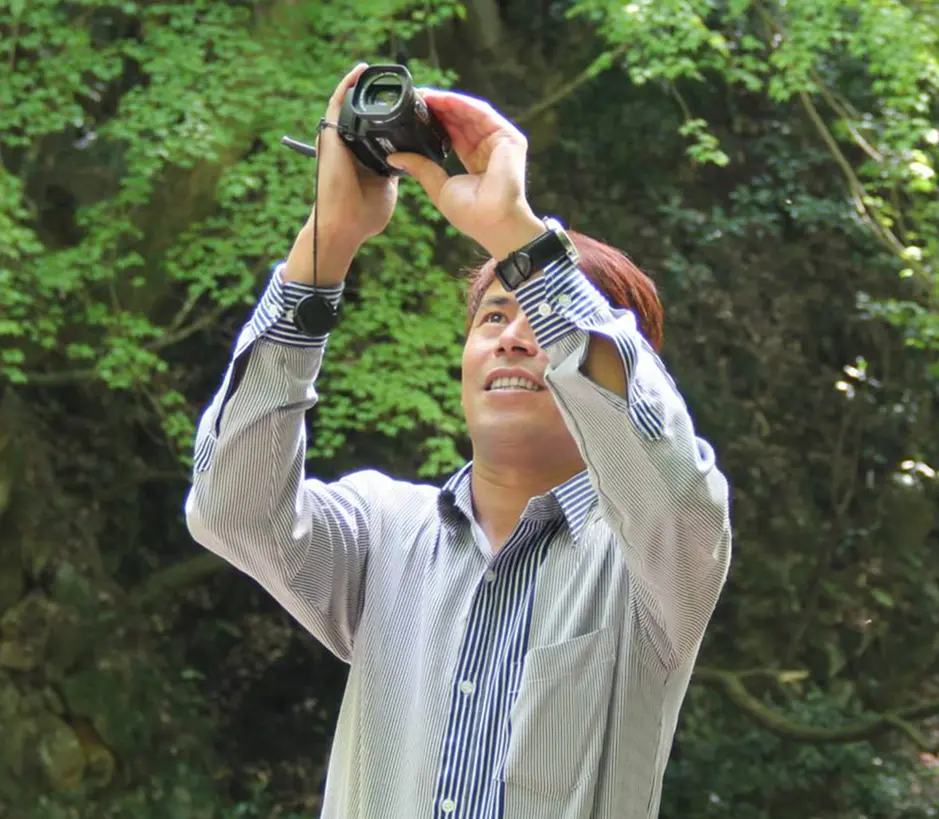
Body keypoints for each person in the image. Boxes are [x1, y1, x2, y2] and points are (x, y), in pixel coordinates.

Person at [185, 63, 731, 819]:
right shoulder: (382, 531)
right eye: (491, 317)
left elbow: (664, 482)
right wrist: (327, 243)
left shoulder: (653, 563)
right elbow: (230, 507)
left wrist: (514, 231)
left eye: (540, 318)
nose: (512, 338)